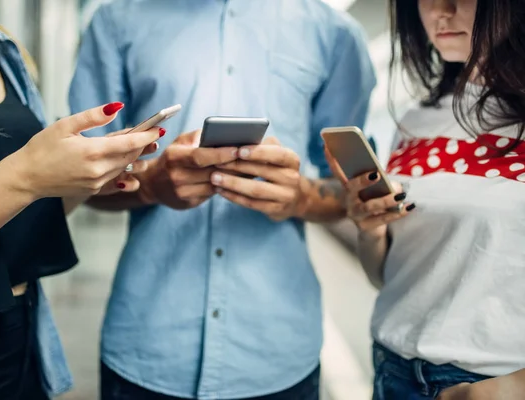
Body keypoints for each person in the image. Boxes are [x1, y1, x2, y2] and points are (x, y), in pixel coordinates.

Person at [69, 1, 376, 399]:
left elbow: (356, 192)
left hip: (277, 349)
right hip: (148, 344)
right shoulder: (116, 22)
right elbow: (79, 184)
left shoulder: (335, 33)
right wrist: (149, 185)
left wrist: (299, 197)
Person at [0, 0, 163, 399]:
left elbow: (15, 213)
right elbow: (19, 183)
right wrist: (26, 175)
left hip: (21, 340)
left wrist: (75, 181)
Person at [325, 0, 525, 398]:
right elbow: (387, 276)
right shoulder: (414, 122)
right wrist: (371, 230)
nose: (440, 10)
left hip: (486, 383)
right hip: (391, 371)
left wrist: (509, 388)